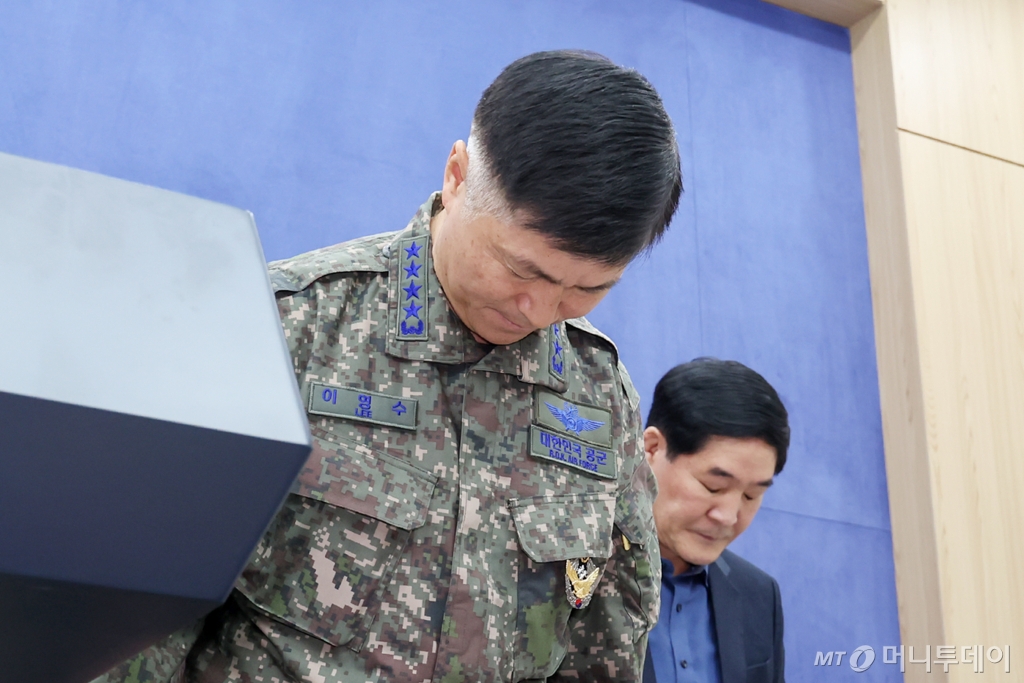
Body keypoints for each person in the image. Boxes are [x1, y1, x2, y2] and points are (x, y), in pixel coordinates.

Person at [94, 50, 681, 683]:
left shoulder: (597, 394)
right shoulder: (289, 328)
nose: (539, 310)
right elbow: (143, 623)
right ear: (457, 176)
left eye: (584, 291)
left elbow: (609, 642)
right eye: (521, 269)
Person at [641, 358, 789, 683]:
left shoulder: (759, 596)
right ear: (651, 449)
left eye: (751, 495)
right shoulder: (573, 570)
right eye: (714, 486)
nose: (728, 516)